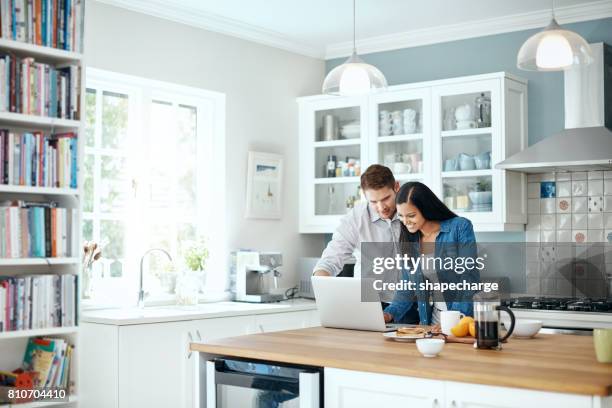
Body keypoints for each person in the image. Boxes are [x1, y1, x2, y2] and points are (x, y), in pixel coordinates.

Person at [313, 164, 419, 324]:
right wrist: (323, 287)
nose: (381, 207)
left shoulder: (413, 213)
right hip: (369, 305)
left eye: (386, 199)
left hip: (410, 304)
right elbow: (330, 261)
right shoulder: (356, 218)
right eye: (373, 202)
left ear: (396, 187)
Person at [383, 181, 479, 325]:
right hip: (431, 322)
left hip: (461, 320)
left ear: (426, 209)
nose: (405, 222)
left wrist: (453, 321)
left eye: (411, 215)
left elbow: (468, 279)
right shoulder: (410, 240)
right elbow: (406, 287)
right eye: (401, 216)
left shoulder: (459, 227)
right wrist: (388, 314)